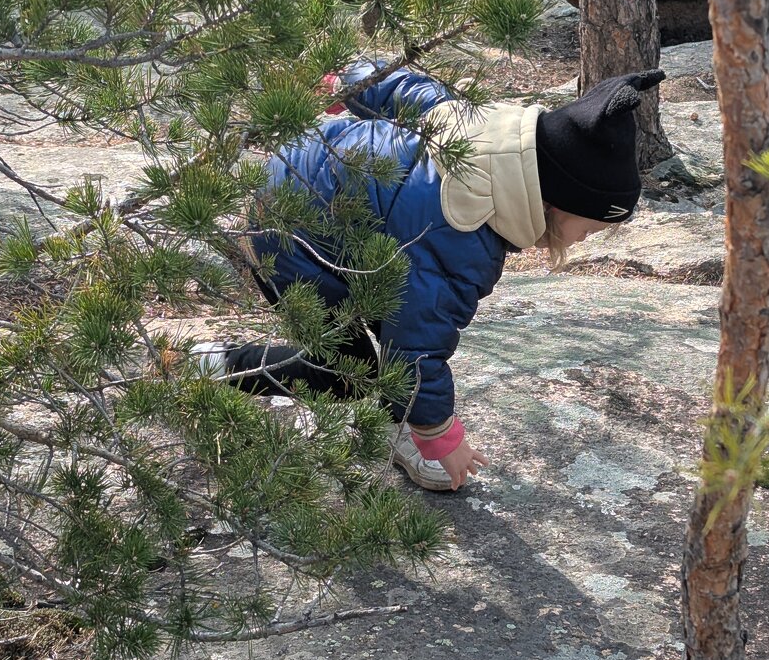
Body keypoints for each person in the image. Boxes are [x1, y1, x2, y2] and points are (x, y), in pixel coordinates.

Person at [194, 60, 665, 492]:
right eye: (591, 227)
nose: (587, 239)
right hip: (294, 242)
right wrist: (441, 436)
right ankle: (215, 365)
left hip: (302, 169)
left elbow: (405, 87)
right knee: (347, 371)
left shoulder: (477, 131)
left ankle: (400, 419)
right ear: (558, 202)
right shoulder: (462, 233)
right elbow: (417, 346)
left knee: (390, 320)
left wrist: (346, 80)